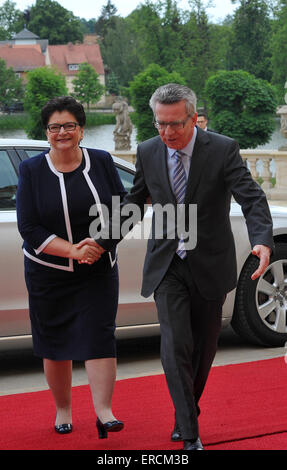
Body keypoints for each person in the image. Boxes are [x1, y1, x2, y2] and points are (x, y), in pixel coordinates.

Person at [79, 83, 273, 450]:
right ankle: (189, 433)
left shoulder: (222, 149)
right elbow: (135, 202)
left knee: (204, 348)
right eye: (160, 124)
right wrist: (102, 241)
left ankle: (186, 410)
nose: (167, 133)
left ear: (194, 119)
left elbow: (251, 197)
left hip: (210, 263)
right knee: (175, 345)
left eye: (175, 124)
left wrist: (261, 239)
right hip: (167, 264)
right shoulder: (149, 151)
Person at [16, 96, 125, 439]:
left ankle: (104, 412)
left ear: (81, 130)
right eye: (54, 127)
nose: (61, 132)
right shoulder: (31, 170)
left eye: (69, 126)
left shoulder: (103, 162)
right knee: (54, 342)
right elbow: (29, 227)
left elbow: (124, 211)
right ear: (46, 132)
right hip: (48, 272)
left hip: (98, 267)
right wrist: (73, 252)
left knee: (99, 335)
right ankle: (63, 410)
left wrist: (99, 246)